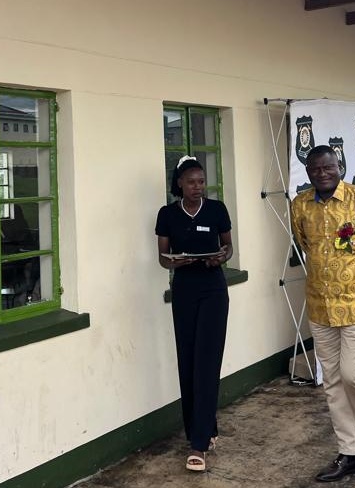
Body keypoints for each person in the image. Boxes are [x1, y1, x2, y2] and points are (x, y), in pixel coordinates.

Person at [292, 145, 355, 482]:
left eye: (327, 167)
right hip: (320, 304)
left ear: (340, 167)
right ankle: (349, 452)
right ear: (307, 172)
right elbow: (305, 244)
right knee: (332, 382)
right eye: (314, 169)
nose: (321, 174)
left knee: (353, 374)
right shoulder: (300, 204)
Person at [155, 156, 233, 472]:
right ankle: (203, 428)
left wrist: (220, 257)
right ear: (179, 184)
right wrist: (174, 262)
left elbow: (228, 247)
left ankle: (198, 445)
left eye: (201, 181)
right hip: (184, 289)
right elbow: (162, 257)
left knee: (207, 361)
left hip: (213, 289)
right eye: (191, 182)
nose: (198, 187)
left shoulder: (217, 210)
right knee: (187, 362)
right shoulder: (167, 214)